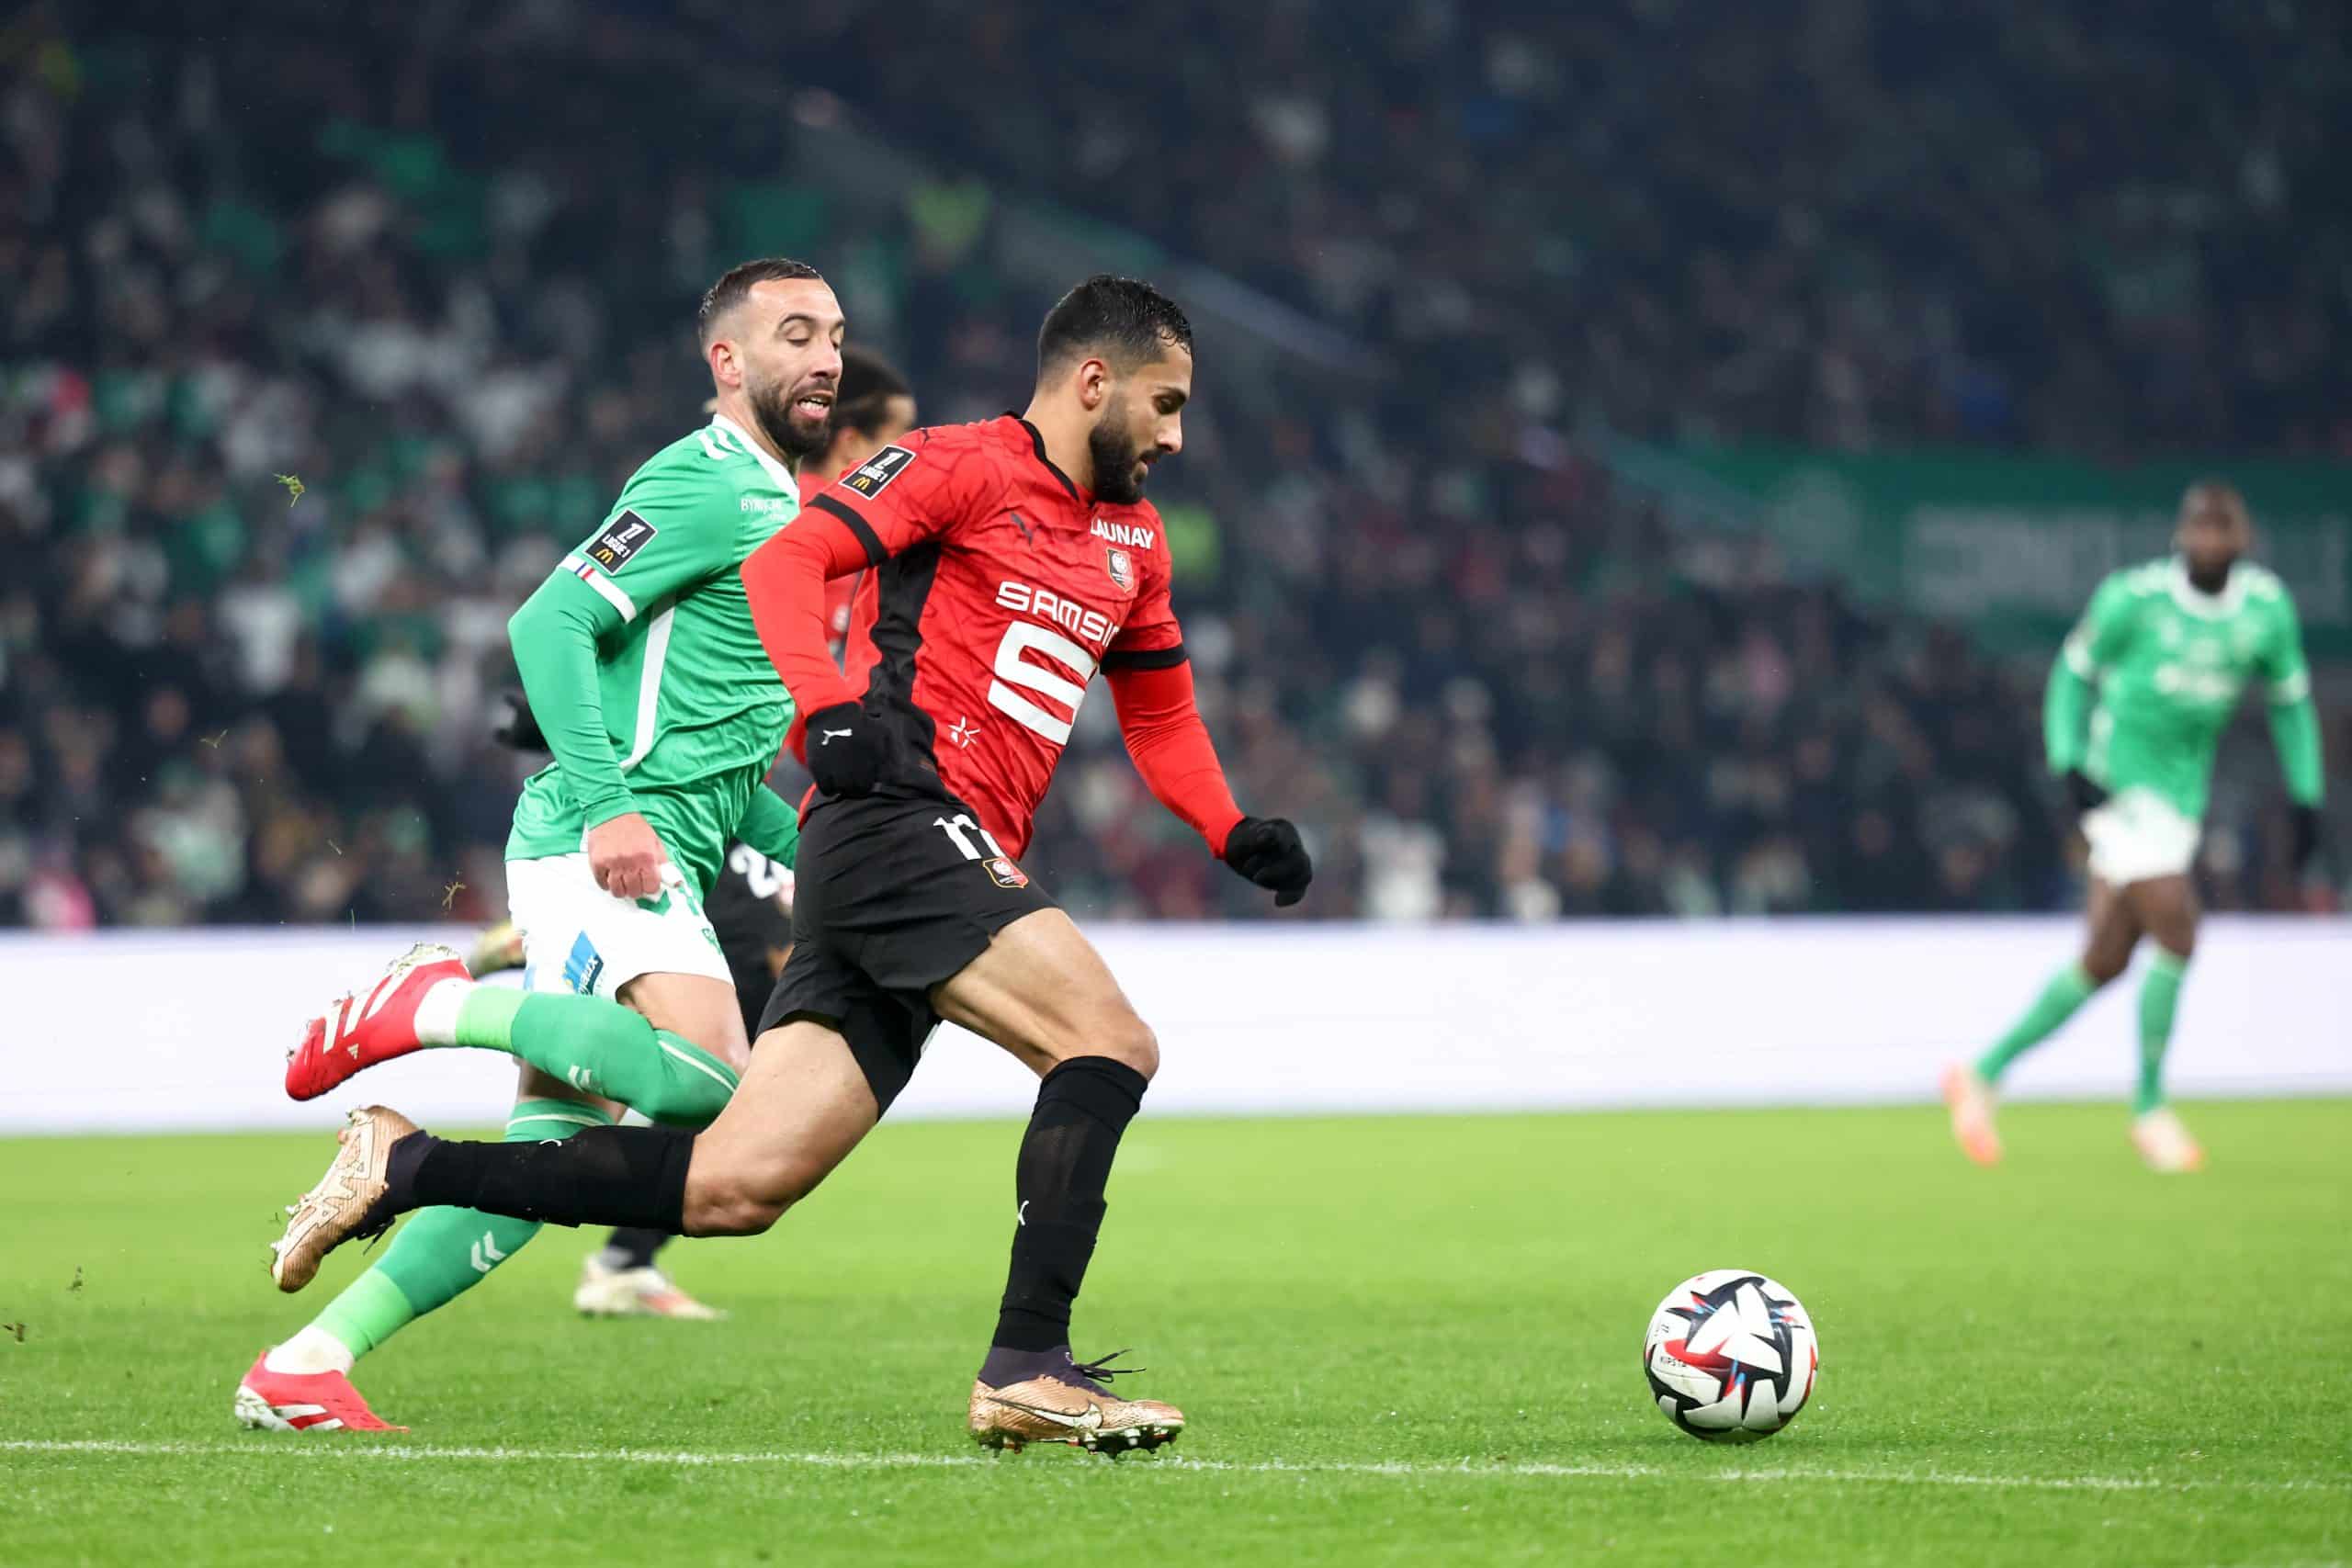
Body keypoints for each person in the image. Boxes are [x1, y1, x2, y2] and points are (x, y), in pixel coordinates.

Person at [264, 276, 1314, 1454]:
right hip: (900, 825)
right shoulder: (956, 465)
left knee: (732, 1184)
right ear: (1091, 381)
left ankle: (406, 1165)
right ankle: (1029, 1364)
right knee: (1107, 1042)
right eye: (1164, 405)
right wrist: (824, 715)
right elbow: (786, 568)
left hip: (901, 859)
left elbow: (1162, 717)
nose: (1175, 436)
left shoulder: (1136, 540)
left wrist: (1229, 828)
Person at [234, 257, 844, 1432]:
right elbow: (548, 617)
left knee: (540, 1174)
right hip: (604, 841)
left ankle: (306, 1364)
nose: (823, 358)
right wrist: (612, 804)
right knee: (712, 1077)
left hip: (660, 835)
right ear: (727, 361)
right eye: (794, 334)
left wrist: (824, 833)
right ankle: (428, 1003)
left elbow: (719, 749)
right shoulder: (708, 482)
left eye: (832, 337)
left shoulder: (778, 507)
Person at [469, 345, 921, 1321]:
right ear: (847, 442)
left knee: (564, 1131)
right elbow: (604, 635)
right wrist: (581, 762)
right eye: (892, 443)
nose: (903, 466)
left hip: (725, 805)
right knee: (728, 1053)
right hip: (663, 819)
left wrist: (833, 842)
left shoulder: (830, 549)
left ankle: (324, 1350)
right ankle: (466, 1007)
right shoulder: (756, 517)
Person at [1944, 481, 2325, 1172]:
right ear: (2182, 536)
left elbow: (2292, 705)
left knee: (2107, 957)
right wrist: (2067, 764)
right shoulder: (2134, 598)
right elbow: (2071, 671)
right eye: (2199, 531)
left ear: (2241, 542)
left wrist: (2306, 796)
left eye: (2223, 533)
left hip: (2182, 798)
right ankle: (2150, 1108)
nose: (2210, 543)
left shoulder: (2266, 612)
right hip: (2117, 783)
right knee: (2178, 923)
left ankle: (1982, 1071)